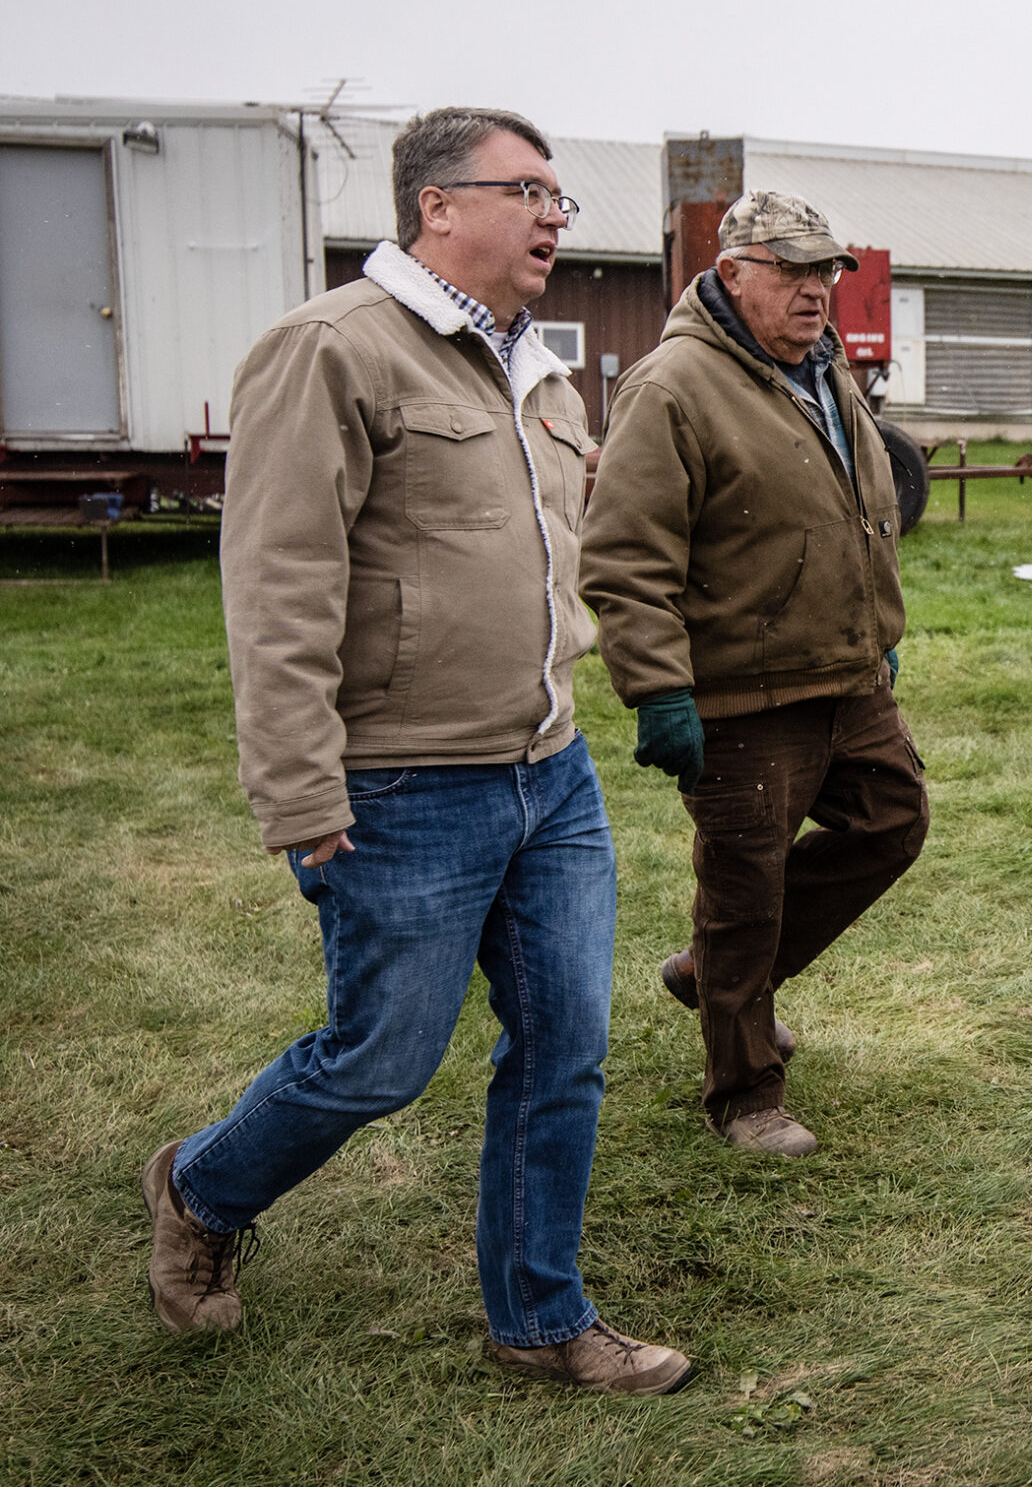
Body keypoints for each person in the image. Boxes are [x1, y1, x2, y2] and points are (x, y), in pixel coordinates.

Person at [142, 107, 693, 1395]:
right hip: (401, 786)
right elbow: (278, 582)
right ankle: (202, 1189)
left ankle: (541, 1318)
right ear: (437, 204)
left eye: (561, 196)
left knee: (566, 1044)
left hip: (548, 775)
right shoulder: (331, 349)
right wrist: (299, 783)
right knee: (382, 1059)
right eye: (531, 190)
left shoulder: (538, 373)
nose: (558, 214)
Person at [581, 190, 927, 1159]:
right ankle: (745, 1092)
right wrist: (659, 691)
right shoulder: (674, 386)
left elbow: (866, 511)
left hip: (846, 675)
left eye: (826, 272)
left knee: (893, 820)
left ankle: (720, 975)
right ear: (733, 273)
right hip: (739, 693)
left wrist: (877, 629)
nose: (816, 290)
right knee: (747, 888)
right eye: (793, 270)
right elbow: (626, 556)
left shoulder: (822, 371)